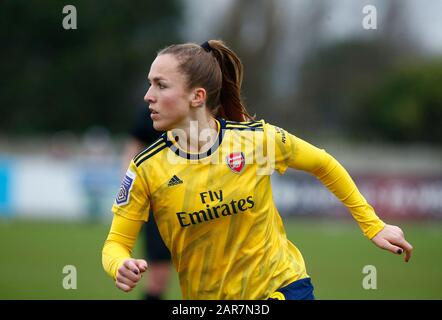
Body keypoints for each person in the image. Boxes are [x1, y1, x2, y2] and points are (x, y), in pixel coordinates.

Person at [102, 40, 413, 300]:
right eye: (149, 84)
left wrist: (373, 225)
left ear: (197, 97)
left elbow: (323, 163)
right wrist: (120, 265)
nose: (148, 96)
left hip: (283, 287)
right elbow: (116, 244)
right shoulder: (146, 168)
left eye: (160, 85)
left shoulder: (257, 141)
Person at [121, 107, 172, 300]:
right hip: (157, 207)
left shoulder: (212, 114)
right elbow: (132, 150)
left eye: (160, 84)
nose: (149, 95)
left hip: (203, 204)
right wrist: (131, 190)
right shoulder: (150, 113)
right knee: (158, 277)